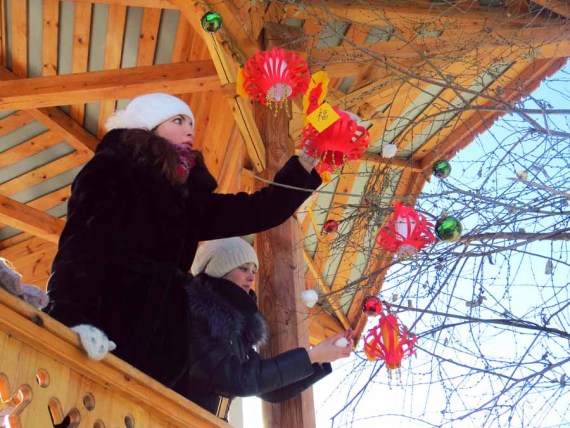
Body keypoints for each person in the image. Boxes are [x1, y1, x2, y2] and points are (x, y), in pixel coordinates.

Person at [45, 93, 322, 390]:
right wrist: (71, 317)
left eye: (191, 122)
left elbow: (259, 211)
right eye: (178, 120)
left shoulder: (188, 198)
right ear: (148, 127)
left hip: (158, 355)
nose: (190, 129)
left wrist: (305, 162)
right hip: (106, 321)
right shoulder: (111, 169)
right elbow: (81, 246)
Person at [184, 237, 352, 420]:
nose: (251, 276)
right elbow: (237, 380)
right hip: (177, 417)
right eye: (243, 268)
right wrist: (312, 356)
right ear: (218, 268)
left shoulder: (237, 330)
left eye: (254, 270)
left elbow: (271, 391)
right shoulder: (196, 313)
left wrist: (318, 359)